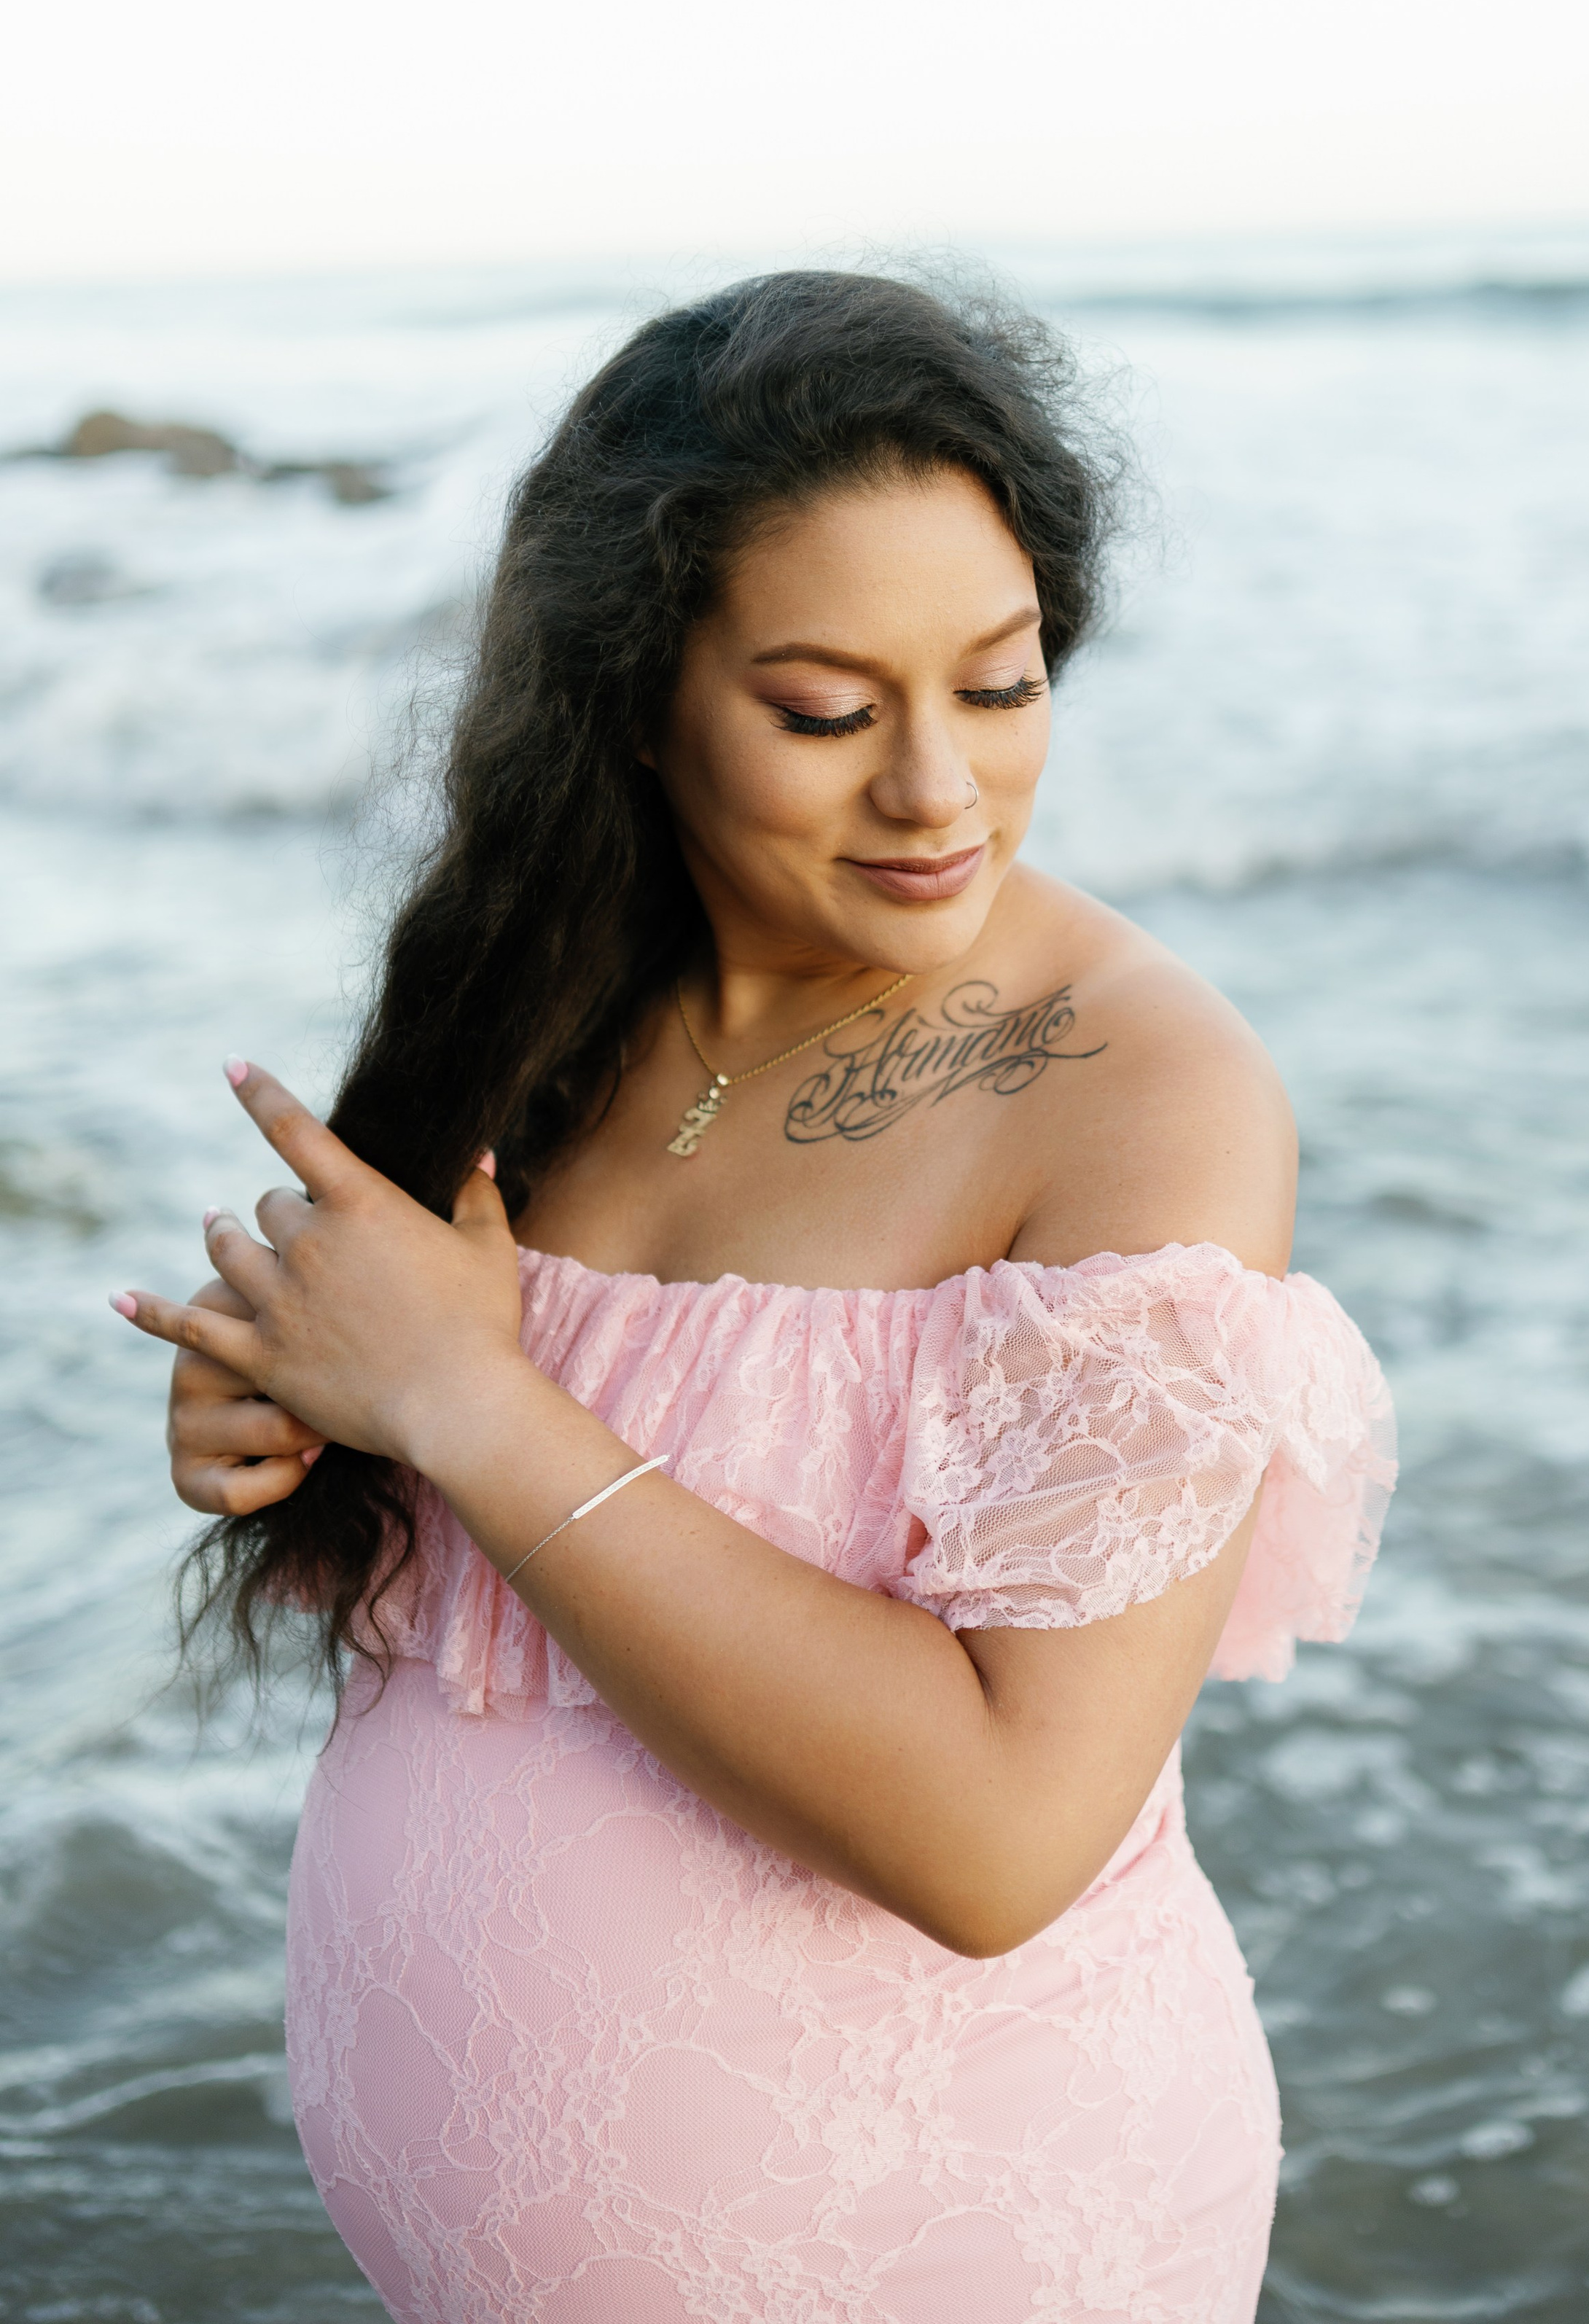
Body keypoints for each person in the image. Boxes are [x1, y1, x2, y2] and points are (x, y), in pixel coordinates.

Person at [118, 272, 1394, 2324]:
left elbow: (1000, 1838)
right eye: (828, 710)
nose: (938, 793)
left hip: (956, 2248)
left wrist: (476, 1406)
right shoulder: (550, 998)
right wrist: (296, 1434)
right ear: (635, 700)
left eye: (1001, 682)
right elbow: (488, 1605)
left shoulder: (1138, 1093)